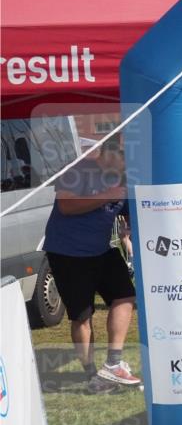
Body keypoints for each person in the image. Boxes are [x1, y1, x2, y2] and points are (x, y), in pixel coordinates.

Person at [43, 139, 141, 393]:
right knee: (82, 316)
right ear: (107, 154)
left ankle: (113, 364)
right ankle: (91, 375)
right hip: (68, 253)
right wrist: (107, 196)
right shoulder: (77, 170)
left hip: (100, 251)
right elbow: (66, 205)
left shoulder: (123, 178)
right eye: (124, 158)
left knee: (125, 296)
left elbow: (133, 212)